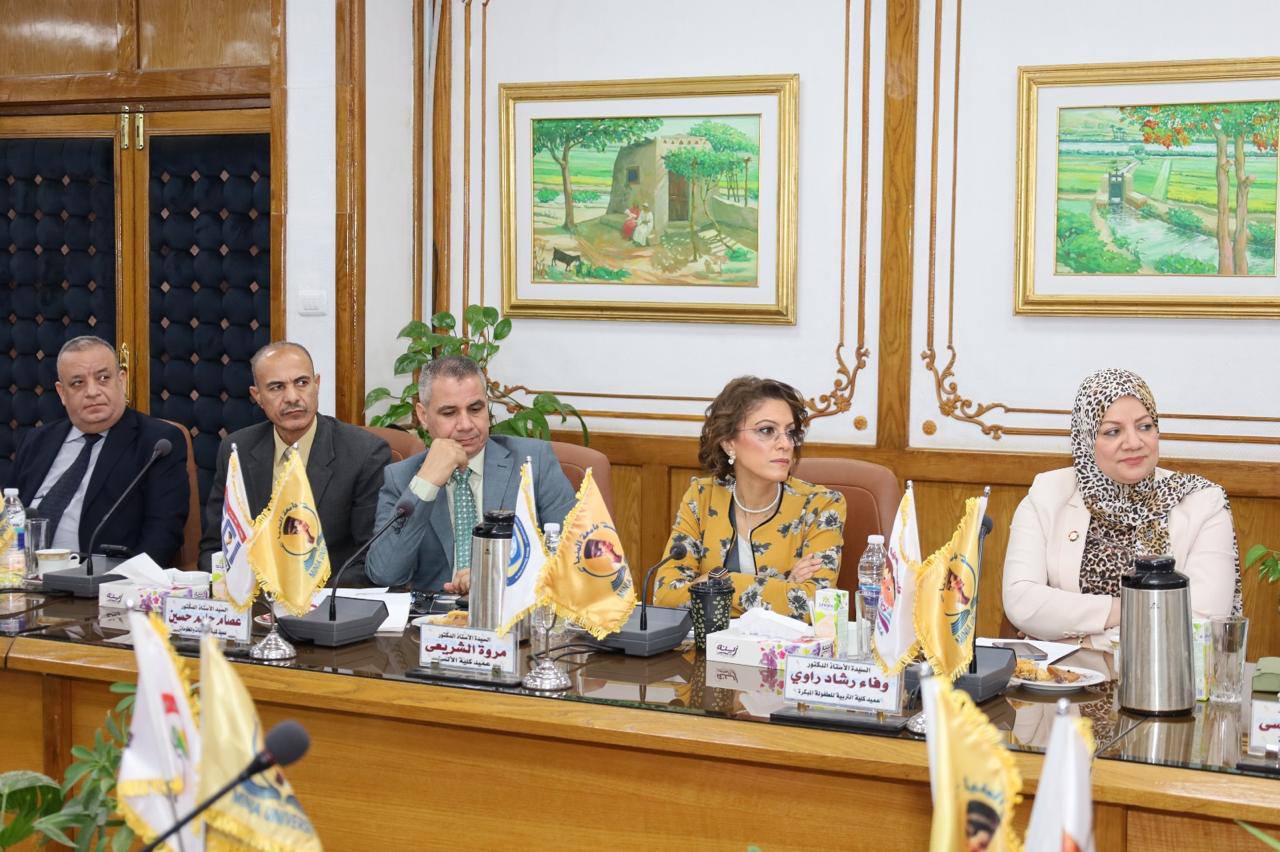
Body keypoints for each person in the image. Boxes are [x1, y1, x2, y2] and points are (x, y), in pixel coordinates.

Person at [1003, 368, 1240, 644]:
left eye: (1145, 426)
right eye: (1113, 431)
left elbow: (1202, 621)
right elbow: (1022, 601)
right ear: (1086, 438)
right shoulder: (1047, 495)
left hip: (1158, 672)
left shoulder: (1202, 502)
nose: (1133, 443)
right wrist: (1132, 609)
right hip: (1064, 671)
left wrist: (1081, 640)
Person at [364, 355, 576, 593]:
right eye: (449, 413)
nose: (465, 424)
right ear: (423, 416)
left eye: (475, 409)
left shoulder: (533, 462)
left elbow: (573, 556)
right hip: (434, 611)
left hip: (510, 608)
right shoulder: (402, 477)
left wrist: (495, 575)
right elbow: (384, 573)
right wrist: (426, 483)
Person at [652, 376, 846, 622]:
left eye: (790, 432)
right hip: (709, 644)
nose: (785, 444)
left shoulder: (821, 505)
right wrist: (784, 588)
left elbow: (814, 605)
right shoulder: (702, 497)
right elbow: (665, 596)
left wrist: (717, 582)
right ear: (728, 443)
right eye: (767, 430)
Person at [199, 342, 390, 581]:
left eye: (301, 383)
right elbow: (215, 548)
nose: (292, 397)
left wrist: (299, 592)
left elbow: (369, 559)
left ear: (316, 385)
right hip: (253, 593)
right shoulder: (237, 449)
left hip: (327, 593)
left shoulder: (364, 453)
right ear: (257, 396)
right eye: (276, 387)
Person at [12, 336, 189, 565]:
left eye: (103, 378)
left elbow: (162, 535)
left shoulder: (157, 443)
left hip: (102, 580)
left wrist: (119, 581)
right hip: (19, 574)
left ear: (122, 380)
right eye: (78, 383)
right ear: (62, 393)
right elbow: (8, 517)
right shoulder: (36, 441)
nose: (92, 392)